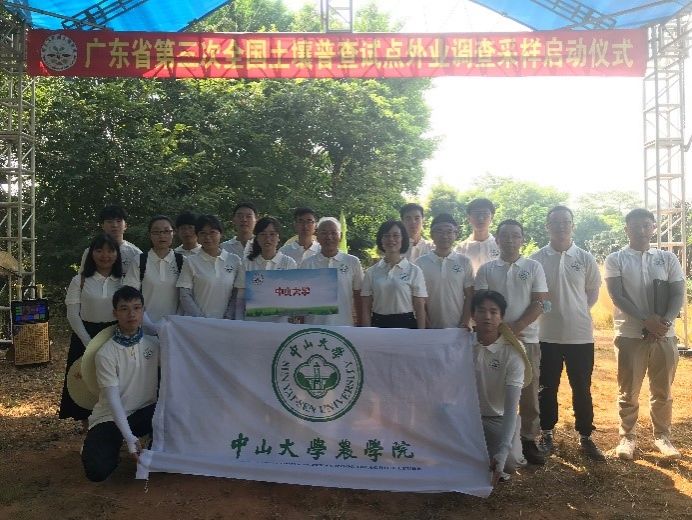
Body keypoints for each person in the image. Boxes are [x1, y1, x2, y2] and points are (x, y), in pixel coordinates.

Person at [605, 208, 685, 460]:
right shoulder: (616, 259)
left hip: (665, 335)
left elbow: (678, 293)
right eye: (635, 226)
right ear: (626, 229)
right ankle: (627, 438)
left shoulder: (667, 258)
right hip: (630, 334)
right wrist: (646, 320)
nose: (641, 231)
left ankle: (662, 437)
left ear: (654, 228)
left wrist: (664, 323)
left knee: (662, 391)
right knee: (628, 391)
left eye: (646, 226)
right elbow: (617, 295)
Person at [531, 206, 604, 460]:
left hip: (580, 336)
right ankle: (547, 433)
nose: (561, 226)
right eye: (555, 222)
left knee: (582, 387)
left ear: (572, 225)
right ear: (547, 226)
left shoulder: (584, 258)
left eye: (566, 221)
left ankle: (585, 436)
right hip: (546, 335)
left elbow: (592, 292)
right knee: (546, 387)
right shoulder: (537, 259)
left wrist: (578, 310)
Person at [475, 219, 548, 465]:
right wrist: (499, 331)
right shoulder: (486, 269)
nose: (510, 240)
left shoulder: (534, 267)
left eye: (515, 235)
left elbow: (540, 302)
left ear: (522, 239)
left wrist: (516, 328)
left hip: (526, 338)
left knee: (529, 390)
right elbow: (481, 302)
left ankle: (528, 439)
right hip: (492, 339)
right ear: (496, 239)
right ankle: (493, 436)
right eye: (504, 235)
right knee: (492, 387)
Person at [81, 286, 160, 482]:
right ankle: (110, 447)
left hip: (146, 412)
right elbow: (113, 400)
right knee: (97, 471)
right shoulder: (106, 353)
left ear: (143, 311)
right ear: (115, 313)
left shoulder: (155, 345)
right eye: (124, 309)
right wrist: (129, 437)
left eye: (137, 308)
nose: (131, 314)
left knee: (171, 411)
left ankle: (154, 446)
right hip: (111, 417)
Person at [60, 234, 123, 426]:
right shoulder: (79, 280)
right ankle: (89, 430)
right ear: (91, 254)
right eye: (99, 250)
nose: (105, 255)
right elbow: (73, 314)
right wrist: (89, 343)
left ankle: (114, 427)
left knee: (115, 382)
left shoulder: (124, 280)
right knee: (85, 383)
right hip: (85, 336)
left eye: (110, 250)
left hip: (115, 335)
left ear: (117, 254)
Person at [471, 290, 530, 485]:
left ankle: (505, 447)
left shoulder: (513, 353)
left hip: (497, 418)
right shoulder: (462, 345)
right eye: (481, 311)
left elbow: (512, 407)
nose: (487, 316)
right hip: (466, 416)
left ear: (501, 317)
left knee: (510, 463)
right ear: (473, 315)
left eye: (493, 312)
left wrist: (503, 451)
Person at [361, 220, 427, 329]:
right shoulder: (371, 272)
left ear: (403, 239)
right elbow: (366, 307)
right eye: (386, 236)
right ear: (381, 239)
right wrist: (367, 333)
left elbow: (419, 306)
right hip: (378, 325)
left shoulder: (414, 271)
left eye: (396, 235)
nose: (391, 239)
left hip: (406, 325)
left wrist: (421, 333)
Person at [176, 214, 244, 319]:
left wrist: (227, 317)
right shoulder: (190, 261)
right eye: (202, 233)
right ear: (197, 236)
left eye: (212, 232)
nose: (207, 237)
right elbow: (185, 295)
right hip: (198, 322)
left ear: (221, 234)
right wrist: (201, 319)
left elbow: (236, 294)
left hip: (226, 323)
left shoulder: (234, 260)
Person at [299, 217, 364, 326]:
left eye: (334, 233)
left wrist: (361, 324)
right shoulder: (307, 264)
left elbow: (358, 296)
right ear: (317, 237)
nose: (329, 237)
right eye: (324, 233)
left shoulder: (352, 262)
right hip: (313, 327)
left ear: (340, 236)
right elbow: (301, 299)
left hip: (344, 326)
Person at [124, 215, 183, 332]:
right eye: (156, 232)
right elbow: (131, 295)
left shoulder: (182, 261)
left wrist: (174, 322)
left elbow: (185, 297)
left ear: (174, 233)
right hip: (143, 325)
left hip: (174, 328)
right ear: (149, 235)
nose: (162, 235)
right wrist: (147, 323)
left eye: (166, 231)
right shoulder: (139, 261)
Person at [415, 213, 474, 329]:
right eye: (439, 231)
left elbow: (470, 296)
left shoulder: (464, 262)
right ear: (432, 234)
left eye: (449, 231)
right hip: (429, 328)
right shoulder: (420, 263)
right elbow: (418, 299)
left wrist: (464, 322)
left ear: (456, 234)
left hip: (459, 328)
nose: (444, 236)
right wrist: (427, 324)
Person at [242, 216, 297, 322]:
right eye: (263, 234)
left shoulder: (289, 263)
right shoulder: (247, 263)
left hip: (280, 323)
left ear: (279, 237)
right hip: (252, 323)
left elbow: (292, 296)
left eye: (272, 234)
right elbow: (240, 298)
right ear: (257, 238)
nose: (267, 239)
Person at [79, 205, 141, 275]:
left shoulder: (136, 254)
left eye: (118, 221)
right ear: (102, 226)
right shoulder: (91, 252)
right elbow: (82, 278)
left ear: (125, 226)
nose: (114, 225)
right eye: (109, 221)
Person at [457, 198, 500, 275]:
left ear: (492, 217)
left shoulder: (500, 246)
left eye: (485, 214)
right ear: (468, 218)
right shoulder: (461, 249)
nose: (480, 218)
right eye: (476, 214)